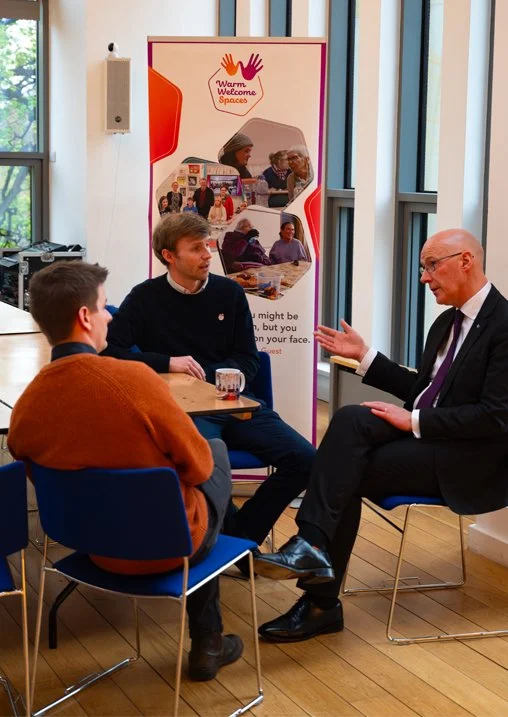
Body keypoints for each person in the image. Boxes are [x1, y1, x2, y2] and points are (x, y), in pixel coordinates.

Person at [254, 228, 508, 643]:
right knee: (351, 420)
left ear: (466, 260)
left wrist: (414, 422)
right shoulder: (446, 322)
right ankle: (313, 553)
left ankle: (319, 595)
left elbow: (496, 418)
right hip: (432, 439)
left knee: (343, 471)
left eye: (431, 265)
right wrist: (365, 358)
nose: (424, 278)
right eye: (422, 267)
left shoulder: (505, 326)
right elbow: (426, 391)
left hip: (472, 460)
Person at [8, 261, 242, 681]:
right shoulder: (134, 380)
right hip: (169, 547)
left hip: (89, 546)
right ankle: (208, 638)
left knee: (186, 474)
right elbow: (200, 465)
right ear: (84, 318)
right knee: (215, 452)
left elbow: (34, 469)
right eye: (102, 308)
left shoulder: (29, 404)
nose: (110, 316)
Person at [103, 213, 316, 563]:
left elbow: (249, 357)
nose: (207, 255)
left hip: (230, 399)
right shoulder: (144, 297)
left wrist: (217, 377)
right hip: (184, 410)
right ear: (169, 256)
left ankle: (239, 537)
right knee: (197, 463)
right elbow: (111, 351)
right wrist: (166, 362)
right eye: (196, 248)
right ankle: (236, 548)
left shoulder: (229, 292)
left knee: (306, 459)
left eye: (208, 246)